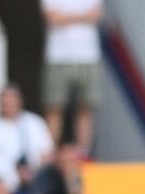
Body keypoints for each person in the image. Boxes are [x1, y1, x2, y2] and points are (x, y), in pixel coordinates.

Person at [41, 0, 103, 152]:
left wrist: (67, 17)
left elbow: (96, 16)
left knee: (86, 107)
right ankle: (50, 153)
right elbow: (52, 18)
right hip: (58, 56)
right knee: (54, 106)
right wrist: (82, 17)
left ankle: (83, 153)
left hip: (89, 56)